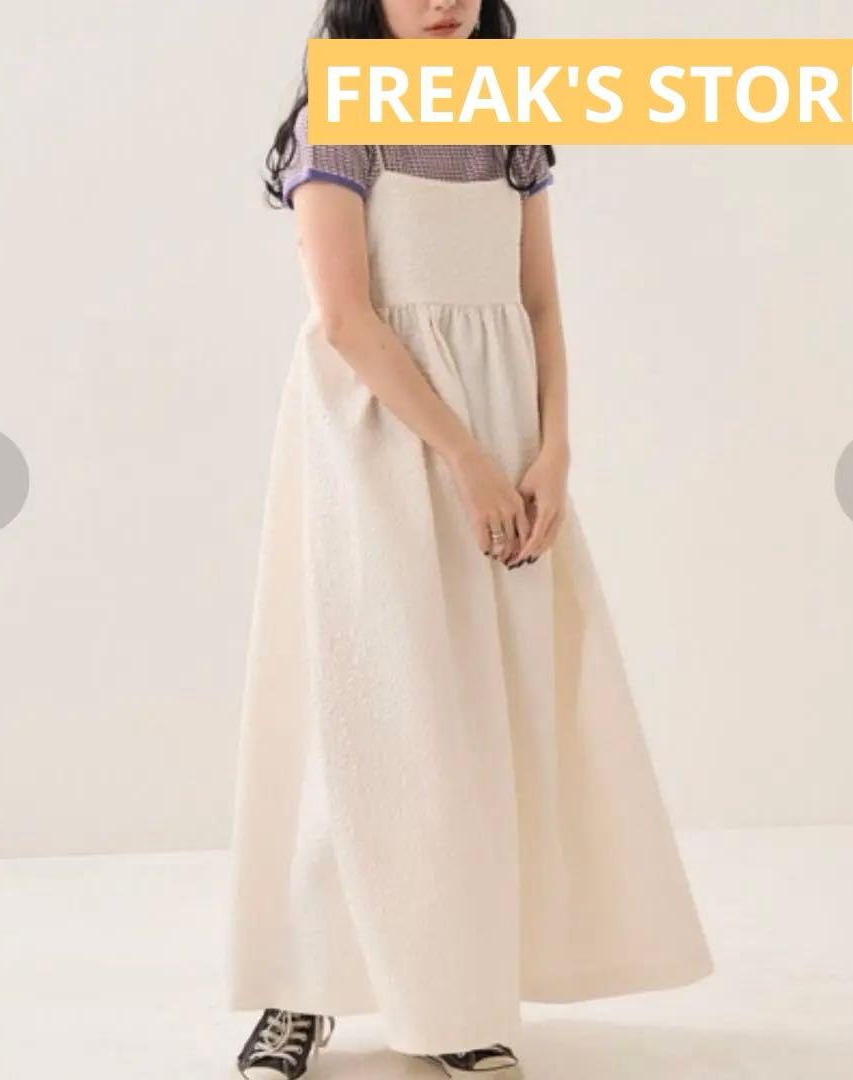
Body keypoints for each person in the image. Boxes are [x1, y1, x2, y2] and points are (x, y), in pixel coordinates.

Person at [225, 2, 715, 1077]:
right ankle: (298, 988)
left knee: (478, 723)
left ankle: (454, 1002)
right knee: (369, 711)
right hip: (380, 440)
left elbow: (539, 304)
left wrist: (554, 451)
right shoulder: (342, 115)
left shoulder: (511, 117)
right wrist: (465, 458)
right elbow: (347, 319)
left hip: (504, 440)